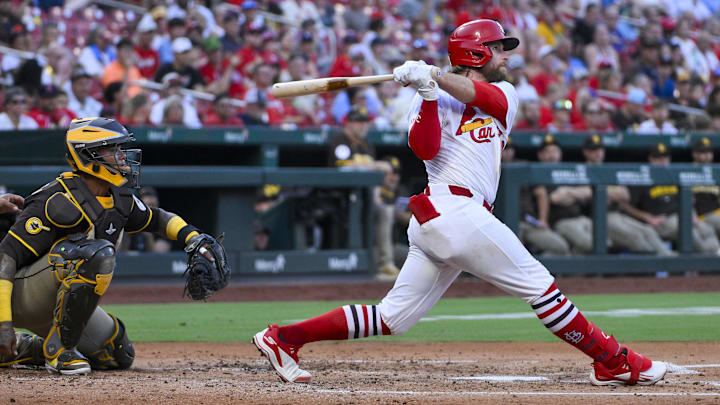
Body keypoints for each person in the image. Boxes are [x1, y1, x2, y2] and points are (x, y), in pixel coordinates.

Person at [252, 19, 667, 387]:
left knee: (392, 319)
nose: (505, 55)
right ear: (476, 52)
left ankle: (285, 337)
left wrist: (433, 76)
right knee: (542, 289)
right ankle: (613, 362)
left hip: (451, 219)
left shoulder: (505, 92)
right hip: (449, 211)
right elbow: (425, 148)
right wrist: (428, 94)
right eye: (498, 48)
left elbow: (481, 96)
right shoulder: (426, 95)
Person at [0, 117, 217, 375]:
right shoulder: (54, 199)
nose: (122, 156)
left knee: (118, 354)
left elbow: (158, 218)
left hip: (59, 301)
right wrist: (4, 324)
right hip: (20, 298)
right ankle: (59, 350)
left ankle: (28, 349)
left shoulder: (118, 196)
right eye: (112, 149)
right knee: (94, 253)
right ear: (88, 155)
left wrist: (193, 238)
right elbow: (6, 255)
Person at [327, 106, 397, 278]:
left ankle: (385, 264)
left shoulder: (366, 144)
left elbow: (371, 180)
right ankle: (368, 264)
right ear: (348, 123)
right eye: (359, 122)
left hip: (364, 197)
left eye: (366, 122)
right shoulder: (340, 139)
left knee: (384, 211)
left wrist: (377, 198)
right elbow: (343, 167)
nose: (363, 126)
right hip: (338, 196)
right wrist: (376, 165)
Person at [619, 143, 720, 254]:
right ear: (650, 159)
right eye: (658, 158)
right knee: (689, 232)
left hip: (682, 216)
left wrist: (692, 214)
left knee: (706, 230)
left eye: (665, 157)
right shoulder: (643, 178)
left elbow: (688, 199)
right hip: (663, 219)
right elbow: (624, 205)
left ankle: (715, 253)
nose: (662, 161)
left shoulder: (674, 176)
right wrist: (647, 217)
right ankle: (712, 258)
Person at [690, 137, 720, 235]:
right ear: (695, 154)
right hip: (701, 216)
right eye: (703, 152)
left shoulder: (716, 172)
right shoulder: (688, 172)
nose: (707, 155)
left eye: (709, 152)